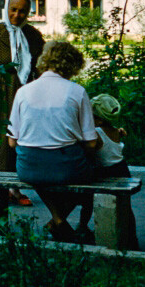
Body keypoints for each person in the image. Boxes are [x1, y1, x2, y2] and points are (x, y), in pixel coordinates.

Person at [7, 41, 100, 242]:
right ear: (73, 66)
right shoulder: (76, 91)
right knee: (93, 174)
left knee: (42, 177)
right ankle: (59, 220)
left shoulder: (23, 91)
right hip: (68, 167)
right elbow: (91, 144)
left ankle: (57, 221)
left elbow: (12, 142)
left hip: (29, 167)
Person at [0, 0, 45, 206]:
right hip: (0, 93)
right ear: (6, 9)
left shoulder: (33, 35)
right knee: (0, 137)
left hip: (26, 92)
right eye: (13, 9)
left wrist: (41, 83)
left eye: (22, 11)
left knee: (23, 137)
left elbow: (42, 63)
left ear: (28, 12)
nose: (17, 14)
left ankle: (17, 186)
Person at [75, 94, 139, 248]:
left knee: (88, 202)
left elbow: (89, 151)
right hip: (122, 169)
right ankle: (131, 238)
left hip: (105, 172)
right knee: (125, 206)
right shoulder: (116, 130)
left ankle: (83, 227)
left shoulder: (96, 134)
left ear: (98, 120)